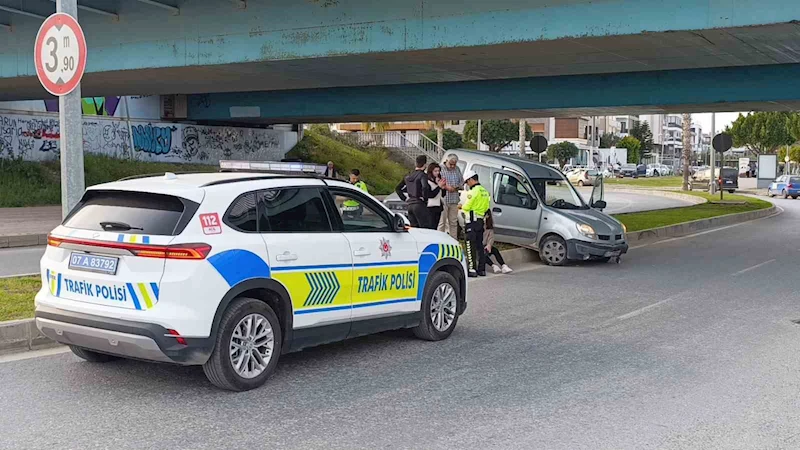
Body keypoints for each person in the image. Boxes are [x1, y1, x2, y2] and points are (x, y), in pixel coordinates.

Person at [459, 169, 490, 277]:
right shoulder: (485, 191)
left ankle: (472, 269)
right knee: (479, 246)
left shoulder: (473, 191)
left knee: (470, 245)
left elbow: (467, 206)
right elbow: (486, 207)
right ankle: (482, 270)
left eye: (467, 182)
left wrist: (460, 206)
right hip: (480, 221)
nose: (467, 184)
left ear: (472, 179)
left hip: (471, 221)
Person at [395, 155, 431, 228]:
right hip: (419, 204)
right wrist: (425, 198)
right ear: (425, 165)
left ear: (416, 164)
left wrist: (405, 198)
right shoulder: (422, 175)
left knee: (414, 228)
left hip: (410, 204)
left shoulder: (408, 175)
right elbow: (425, 187)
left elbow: (398, 188)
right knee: (425, 227)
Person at [438, 154, 464, 239]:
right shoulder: (440, 168)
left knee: (453, 222)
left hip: (454, 199)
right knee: (442, 222)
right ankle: (439, 240)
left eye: (454, 164)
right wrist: (446, 187)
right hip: (443, 199)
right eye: (451, 164)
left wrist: (456, 187)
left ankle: (454, 240)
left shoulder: (457, 169)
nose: (452, 166)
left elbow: (462, 182)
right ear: (446, 161)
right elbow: (436, 181)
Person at [426, 163, 446, 229]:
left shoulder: (438, 180)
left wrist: (443, 188)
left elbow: (442, 194)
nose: (437, 173)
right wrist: (438, 187)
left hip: (438, 206)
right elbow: (430, 195)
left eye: (438, 171)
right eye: (435, 171)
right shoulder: (427, 181)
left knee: (436, 226)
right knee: (431, 225)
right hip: (430, 206)